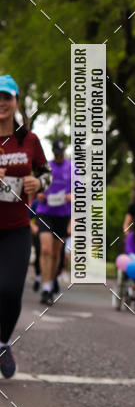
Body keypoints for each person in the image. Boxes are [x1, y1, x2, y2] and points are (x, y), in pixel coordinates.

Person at [0, 75, 52, 378]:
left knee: (9, 290)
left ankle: (3, 342)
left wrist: (37, 182)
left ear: (16, 102)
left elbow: (46, 174)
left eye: (7, 97)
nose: (2, 104)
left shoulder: (29, 140)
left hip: (17, 227)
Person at [36, 138, 71, 306]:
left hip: (62, 214)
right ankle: (46, 287)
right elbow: (36, 188)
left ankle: (51, 280)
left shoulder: (72, 168)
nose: (59, 156)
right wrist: (39, 194)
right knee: (45, 249)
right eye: (56, 154)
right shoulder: (45, 167)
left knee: (56, 253)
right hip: (45, 212)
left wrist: (71, 197)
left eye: (61, 153)